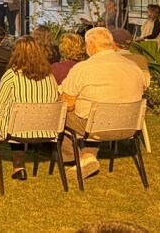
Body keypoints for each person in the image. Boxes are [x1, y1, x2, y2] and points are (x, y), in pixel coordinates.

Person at [59, 28, 148, 179]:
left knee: (60, 111)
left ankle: (71, 157)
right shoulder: (134, 67)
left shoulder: (83, 68)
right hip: (130, 125)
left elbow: (67, 104)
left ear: (90, 45)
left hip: (96, 126)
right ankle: (87, 156)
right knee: (97, 111)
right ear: (112, 44)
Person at [0, 36, 60, 180]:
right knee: (12, 119)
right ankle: (19, 167)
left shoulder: (12, 75)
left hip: (17, 127)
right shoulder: (49, 76)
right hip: (45, 128)